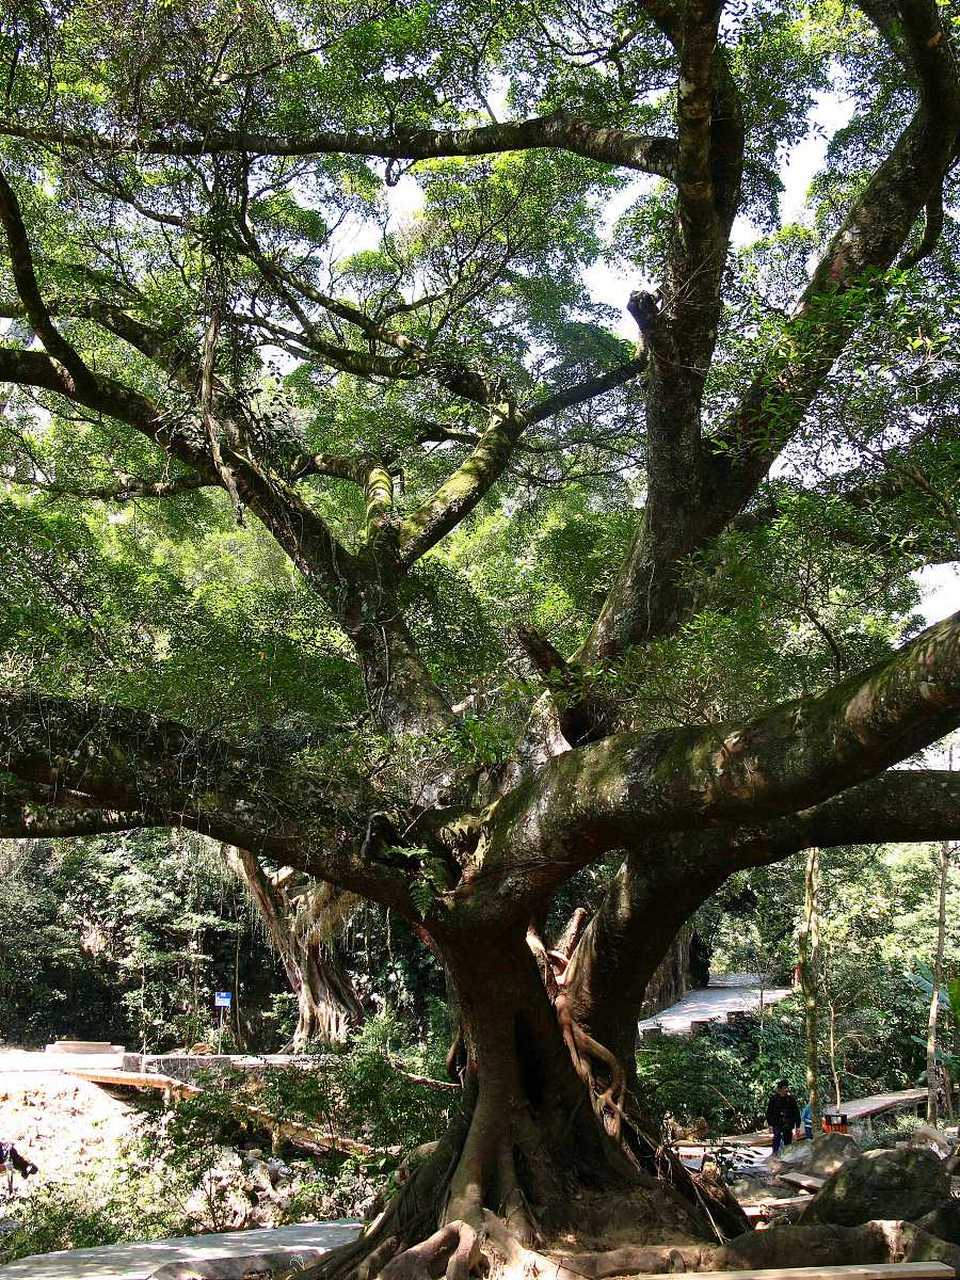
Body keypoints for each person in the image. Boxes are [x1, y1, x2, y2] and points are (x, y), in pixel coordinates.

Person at [766, 1080, 801, 1156]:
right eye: (784, 1088)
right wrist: (770, 1125)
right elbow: (769, 1113)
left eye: (787, 1087)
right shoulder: (773, 1099)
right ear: (779, 1089)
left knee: (788, 1143)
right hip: (777, 1124)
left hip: (788, 1124)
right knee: (777, 1139)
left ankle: (787, 1157)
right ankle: (775, 1155)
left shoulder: (791, 1099)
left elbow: (796, 1113)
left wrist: (797, 1126)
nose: (786, 1089)